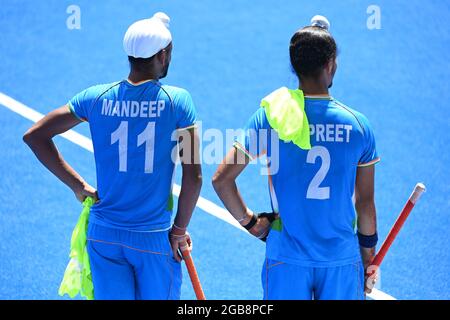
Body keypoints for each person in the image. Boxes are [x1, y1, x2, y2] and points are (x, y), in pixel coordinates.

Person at [23, 12, 202, 300]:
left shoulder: (95, 97)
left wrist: (78, 186)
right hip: (152, 237)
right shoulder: (178, 101)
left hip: (103, 235)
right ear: (164, 54)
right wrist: (179, 230)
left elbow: (35, 136)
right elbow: (193, 176)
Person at [212, 17, 379, 300]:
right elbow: (365, 204)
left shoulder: (270, 116)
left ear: (296, 67)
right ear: (330, 65)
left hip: (286, 257)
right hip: (340, 260)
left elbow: (222, 179)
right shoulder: (358, 126)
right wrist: (368, 258)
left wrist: (251, 223)